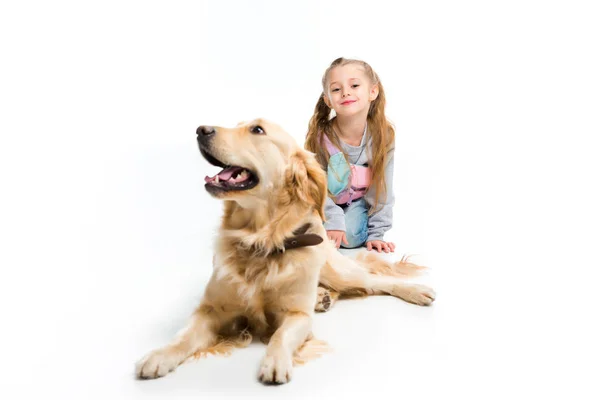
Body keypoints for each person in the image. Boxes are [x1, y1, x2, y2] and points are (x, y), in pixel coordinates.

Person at [305, 57, 396, 253]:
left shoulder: (383, 136)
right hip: (323, 203)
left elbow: (383, 186)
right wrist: (333, 219)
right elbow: (315, 186)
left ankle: (325, 231)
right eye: (336, 89)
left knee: (351, 236)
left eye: (354, 85)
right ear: (328, 100)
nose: (346, 92)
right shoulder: (321, 137)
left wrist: (376, 234)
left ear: (373, 91)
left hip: (357, 204)